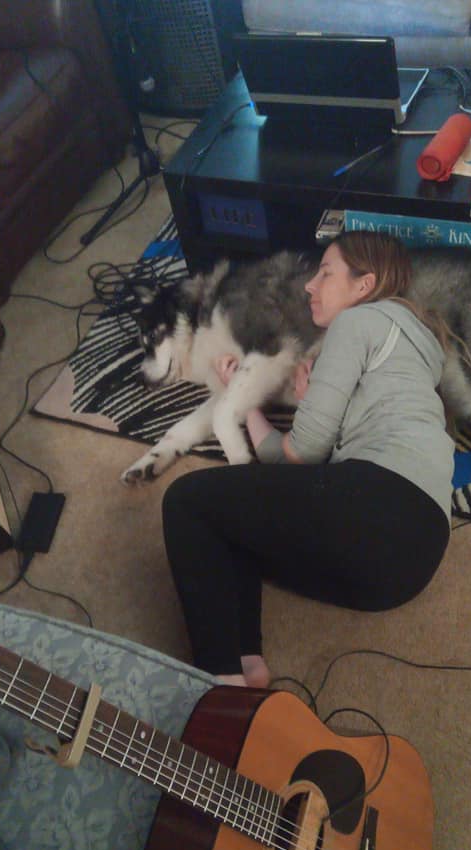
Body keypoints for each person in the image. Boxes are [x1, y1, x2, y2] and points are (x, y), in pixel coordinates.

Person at [162, 230, 455, 687]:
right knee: (234, 527)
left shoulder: (359, 322)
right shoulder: (415, 349)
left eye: (325, 273)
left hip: (383, 506)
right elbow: (319, 465)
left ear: (363, 285)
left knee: (187, 501)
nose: (309, 286)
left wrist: (261, 412)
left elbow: (301, 454)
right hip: (411, 564)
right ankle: (247, 665)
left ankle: (220, 687)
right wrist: (252, 407)